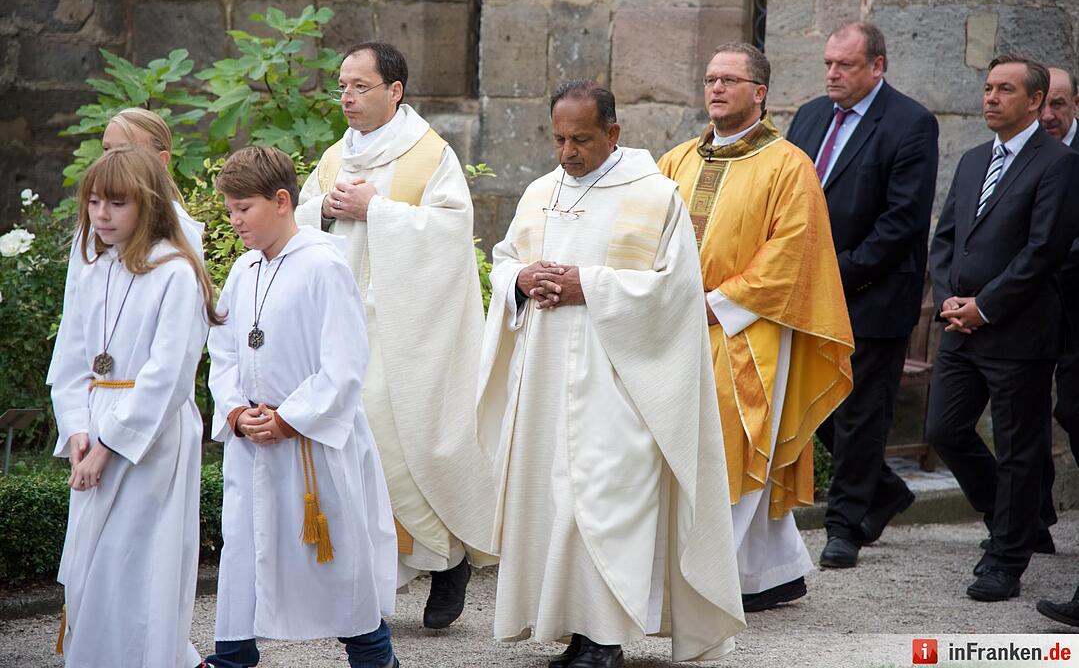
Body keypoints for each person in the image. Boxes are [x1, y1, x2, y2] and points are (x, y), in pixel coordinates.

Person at [477, 80, 745, 667]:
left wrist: (589, 285)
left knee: (599, 506)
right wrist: (519, 281)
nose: (567, 152)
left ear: (614, 133)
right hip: (545, 380)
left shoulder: (655, 198)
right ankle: (576, 631)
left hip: (620, 382)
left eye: (582, 139)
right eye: (558, 139)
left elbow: (677, 294)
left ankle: (604, 642)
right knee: (555, 505)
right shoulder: (540, 192)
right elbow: (503, 261)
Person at [295, 41, 494, 628]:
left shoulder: (429, 155)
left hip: (408, 331)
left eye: (359, 86)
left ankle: (447, 561)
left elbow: (452, 233)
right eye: (341, 86)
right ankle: (371, 586)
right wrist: (326, 211)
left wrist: (377, 210)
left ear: (394, 92)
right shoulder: (334, 158)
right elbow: (300, 217)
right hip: (345, 324)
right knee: (355, 450)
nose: (347, 97)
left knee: (401, 447)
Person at [658, 43, 854, 612]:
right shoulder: (676, 160)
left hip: (748, 327)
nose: (716, 88)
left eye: (730, 80)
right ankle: (768, 573)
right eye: (710, 79)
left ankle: (707, 580)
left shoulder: (788, 164)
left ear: (759, 93)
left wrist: (718, 301)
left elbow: (793, 251)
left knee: (736, 444)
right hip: (676, 323)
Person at [205, 147, 398, 668]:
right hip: (253, 443)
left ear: (283, 201)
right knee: (242, 555)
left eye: (244, 207)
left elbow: (345, 362)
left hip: (312, 445)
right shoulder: (244, 271)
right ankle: (234, 656)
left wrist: (290, 418)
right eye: (230, 209)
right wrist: (235, 413)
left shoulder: (323, 263)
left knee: (337, 568)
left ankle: (375, 657)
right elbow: (221, 352)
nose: (235, 220)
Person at [49, 146, 220, 666]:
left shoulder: (174, 272)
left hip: (151, 440)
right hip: (96, 424)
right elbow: (72, 357)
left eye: (116, 204)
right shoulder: (95, 266)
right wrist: (78, 429)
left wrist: (107, 446)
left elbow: (167, 376)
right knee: (90, 568)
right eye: (94, 202)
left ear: (147, 204)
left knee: (138, 567)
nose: (101, 215)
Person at [927, 54, 1079, 601]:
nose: (990, 97)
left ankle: (1005, 561)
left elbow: (1043, 252)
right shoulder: (971, 161)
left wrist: (985, 306)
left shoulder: (1057, 163)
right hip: (959, 328)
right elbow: (946, 240)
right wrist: (949, 300)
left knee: (1018, 448)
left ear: (1035, 101)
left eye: (1005, 90)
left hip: (1016, 331)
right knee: (944, 429)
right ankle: (1014, 520)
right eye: (988, 88)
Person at [786, 21, 938, 567]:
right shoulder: (807, 116)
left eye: (844, 65)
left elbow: (902, 222)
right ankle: (886, 490)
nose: (832, 73)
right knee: (814, 406)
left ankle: (844, 527)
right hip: (806, 293)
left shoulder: (910, 123)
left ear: (877, 66)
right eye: (828, 62)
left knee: (859, 414)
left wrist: (835, 274)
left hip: (871, 294)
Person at [47, 107, 204, 386]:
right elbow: (75, 311)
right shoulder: (97, 223)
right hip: (89, 387)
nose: (112, 161)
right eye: (106, 149)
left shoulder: (180, 234)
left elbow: (181, 338)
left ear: (161, 161)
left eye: (125, 151)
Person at [1043, 67, 1079, 468]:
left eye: (1059, 104)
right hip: (1028, 305)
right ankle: (1033, 525)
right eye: (1044, 104)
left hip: (1073, 302)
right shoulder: (1025, 151)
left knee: (1072, 410)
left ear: (1076, 103)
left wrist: (1036, 269)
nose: (1049, 115)